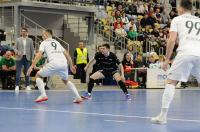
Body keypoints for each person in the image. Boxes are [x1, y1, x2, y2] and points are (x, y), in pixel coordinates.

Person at [151, 0, 200, 124]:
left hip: (185, 52)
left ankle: (162, 116)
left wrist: (167, 59)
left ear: (181, 8)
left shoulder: (177, 19)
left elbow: (172, 40)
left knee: (171, 82)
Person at [27, 29, 82, 103]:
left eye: (43, 34)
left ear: (47, 34)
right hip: (63, 64)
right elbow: (68, 55)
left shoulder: (43, 43)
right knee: (65, 80)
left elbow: (39, 55)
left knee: (38, 75)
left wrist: (31, 67)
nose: (42, 36)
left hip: (54, 63)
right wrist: (71, 66)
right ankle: (78, 97)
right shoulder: (57, 42)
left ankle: (43, 95)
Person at [14, 27, 34, 92]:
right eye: (22, 31)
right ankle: (17, 86)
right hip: (19, 58)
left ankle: (27, 86)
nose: (23, 32)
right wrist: (17, 52)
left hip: (27, 58)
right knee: (18, 72)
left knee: (27, 72)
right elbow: (15, 48)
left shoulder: (30, 40)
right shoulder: (17, 39)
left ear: (26, 32)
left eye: (24, 31)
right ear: (21, 32)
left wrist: (32, 58)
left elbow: (32, 50)